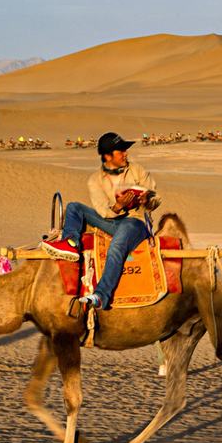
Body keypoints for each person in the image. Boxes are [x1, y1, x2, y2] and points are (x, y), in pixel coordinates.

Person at [41, 132, 161, 310]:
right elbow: (102, 211)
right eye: (121, 151)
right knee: (74, 207)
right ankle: (71, 243)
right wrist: (118, 206)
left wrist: (146, 200)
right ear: (108, 156)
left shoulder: (137, 170)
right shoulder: (94, 180)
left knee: (117, 246)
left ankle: (101, 295)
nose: (126, 154)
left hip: (134, 223)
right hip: (111, 221)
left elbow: (156, 197)